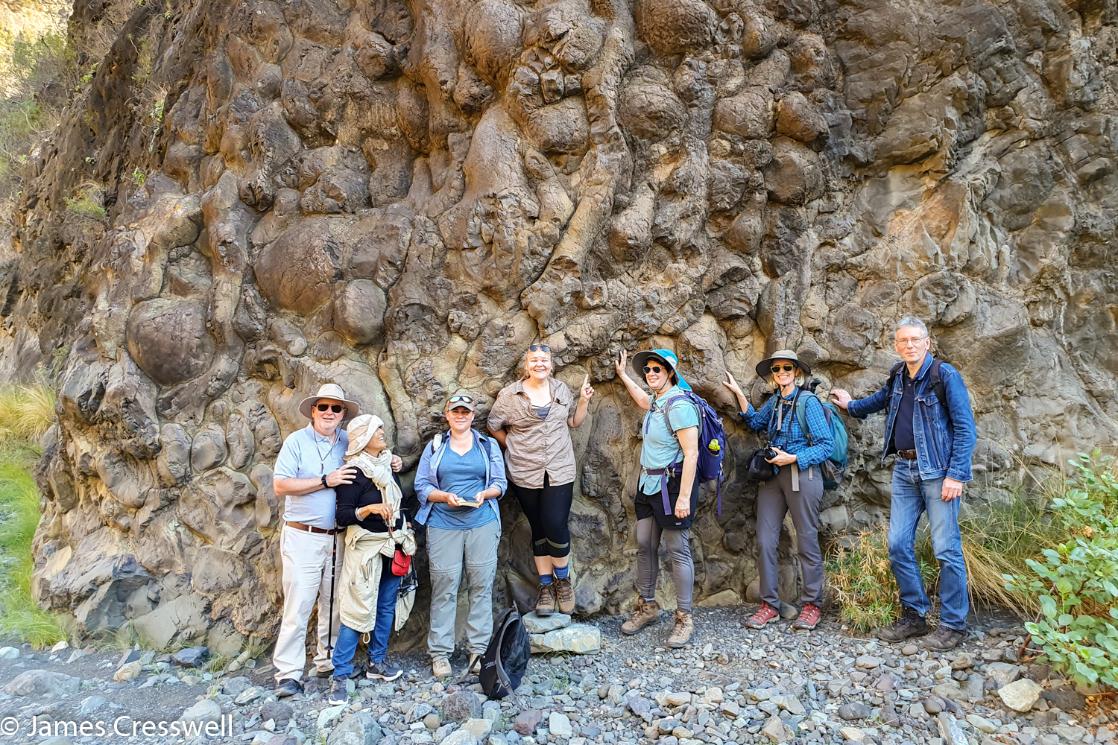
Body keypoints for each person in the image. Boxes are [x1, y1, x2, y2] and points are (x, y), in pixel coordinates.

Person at [830, 316, 977, 651]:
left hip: (939, 472)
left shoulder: (944, 375)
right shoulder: (899, 374)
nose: (909, 345)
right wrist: (851, 406)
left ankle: (954, 625)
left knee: (945, 548)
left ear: (926, 343)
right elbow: (881, 400)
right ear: (896, 345)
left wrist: (956, 474)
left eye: (915, 340)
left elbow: (966, 429)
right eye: (903, 341)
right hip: (904, 470)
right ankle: (915, 615)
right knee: (897, 545)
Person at [723, 350, 834, 632]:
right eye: (776, 369)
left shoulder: (808, 402)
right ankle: (769, 605)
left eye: (787, 368)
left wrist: (793, 458)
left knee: (807, 540)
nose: (781, 372)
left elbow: (826, 445)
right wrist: (738, 393)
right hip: (773, 476)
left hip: (802, 474)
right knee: (764, 540)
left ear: (796, 372)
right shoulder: (774, 402)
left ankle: (812, 605)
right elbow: (756, 422)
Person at [488, 344, 593, 616]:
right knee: (538, 527)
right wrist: (510, 445)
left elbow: (573, 423)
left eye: (544, 360)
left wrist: (583, 401)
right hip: (524, 470)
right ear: (526, 365)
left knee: (555, 524)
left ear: (551, 364)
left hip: (559, 468)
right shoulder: (510, 395)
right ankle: (545, 587)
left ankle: (563, 579)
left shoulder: (561, 391)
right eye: (534, 360)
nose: (539, 364)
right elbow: (493, 425)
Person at [270, 383, 360, 698]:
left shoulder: (349, 442)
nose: (330, 413)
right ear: (313, 410)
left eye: (337, 409)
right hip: (302, 535)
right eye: (324, 407)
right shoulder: (296, 442)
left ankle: (327, 661)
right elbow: (280, 485)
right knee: (299, 603)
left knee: (334, 603)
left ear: (343, 414)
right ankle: (288, 673)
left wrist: (392, 462)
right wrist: (326, 480)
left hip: (338, 537)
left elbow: (373, 455)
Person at [415, 391, 508, 679]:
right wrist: (444, 496)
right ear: (447, 414)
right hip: (443, 523)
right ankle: (440, 653)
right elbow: (421, 487)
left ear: (472, 415)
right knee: (445, 586)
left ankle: (478, 650)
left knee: (481, 585)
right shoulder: (435, 446)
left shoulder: (488, 445)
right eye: (455, 411)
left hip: (482, 521)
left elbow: (500, 483)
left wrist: (484, 494)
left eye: (465, 412)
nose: (460, 415)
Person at [613, 348, 698, 649]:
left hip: (672, 487)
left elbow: (691, 453)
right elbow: (641, 399)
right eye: (647, 370)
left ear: (670, 373)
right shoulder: (657, 402)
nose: (650, 374)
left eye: (656, 370)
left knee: (678, 551)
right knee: (645, 545)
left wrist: (684, 497)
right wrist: (624, 375)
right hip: (648, 484)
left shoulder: (679, 406)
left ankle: (684, 617)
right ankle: (648, 606)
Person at [327, 414, 415, 704]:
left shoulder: (386, 465)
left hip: (392, 546)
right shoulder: (353, 472)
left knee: (386, 605)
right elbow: (341, 517)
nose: (382, 432)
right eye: (377, 429)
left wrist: (403, 528)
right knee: (356, 607)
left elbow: (398, 504)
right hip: (366, 550)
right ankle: (340, 673)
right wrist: (369, 510)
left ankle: (377, 663)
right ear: (363, 436)